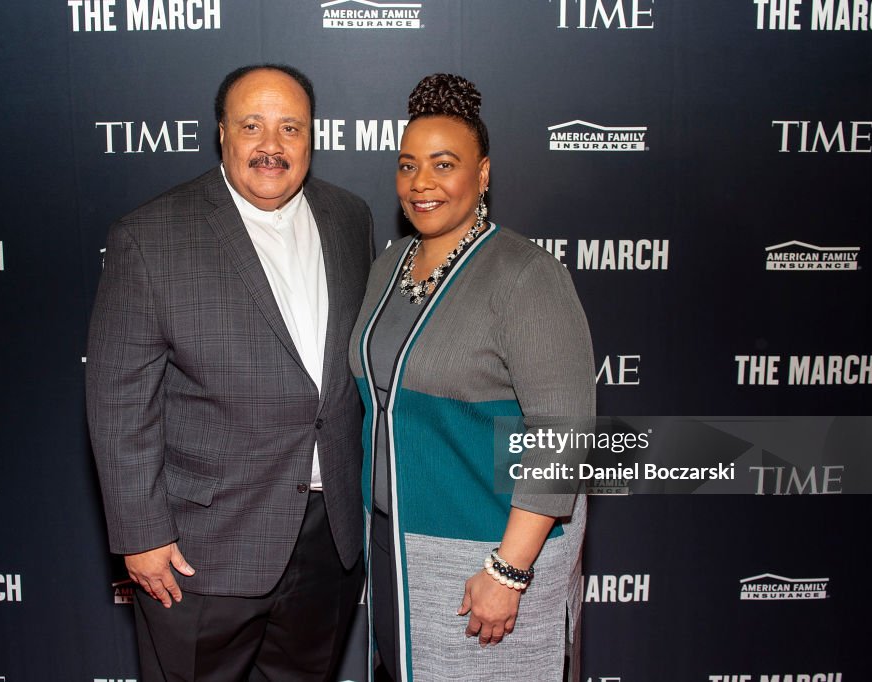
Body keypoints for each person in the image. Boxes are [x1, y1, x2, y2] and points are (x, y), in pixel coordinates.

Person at [86, 64, 373, 681]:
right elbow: (119, 399)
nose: (271, 145)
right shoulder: (150, 236)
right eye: (252, 125)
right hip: (199, 550)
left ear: (312, 137)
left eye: (290, 128)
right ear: (222, 133)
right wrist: (141, 535)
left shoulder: (351, 219)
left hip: (329, 542)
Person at [349, 73, 595, 682]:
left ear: (482, 174)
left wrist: (509, 569)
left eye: (443, 164)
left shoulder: (526, 275)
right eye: (408, 166)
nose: (421, 183)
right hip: (393, 543)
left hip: (481, 553)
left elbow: (563, 433)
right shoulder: (389, 266)